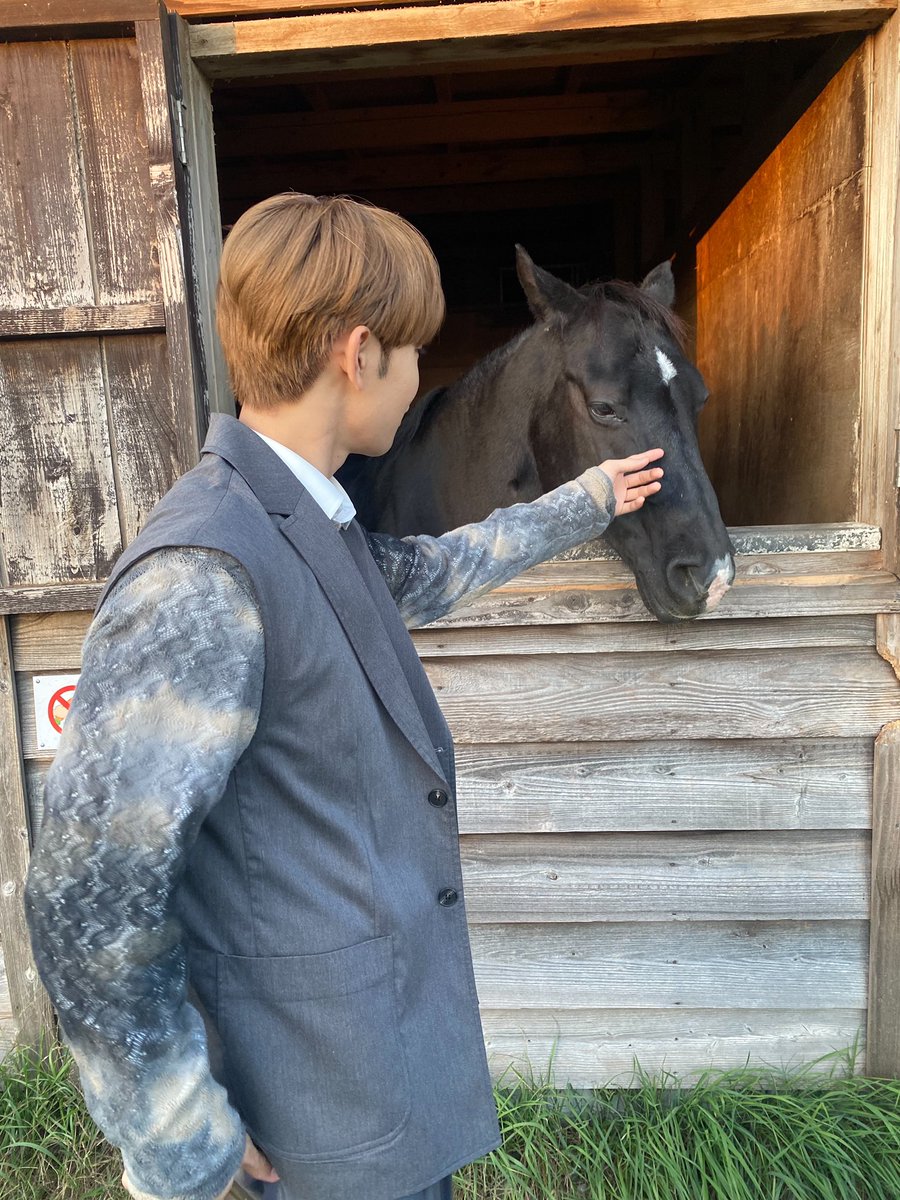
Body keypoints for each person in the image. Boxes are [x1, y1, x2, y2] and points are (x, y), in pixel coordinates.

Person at [23, 193, 664, 1200]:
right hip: (306, 1136)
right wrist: (181, 1139)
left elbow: (434, 570)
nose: (420, 382)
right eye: (415, 355)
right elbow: (88, 895)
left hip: (363, 1095)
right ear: (358, 354)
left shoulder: (306, 521)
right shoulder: (202, 570)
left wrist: (588, 500)